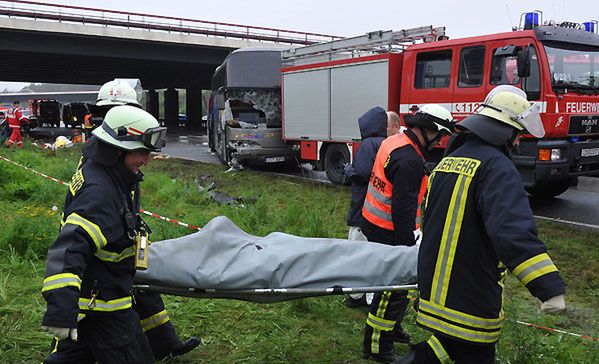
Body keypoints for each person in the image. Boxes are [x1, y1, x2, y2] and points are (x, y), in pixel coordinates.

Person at [395, 86, 566, 364]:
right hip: (469, 296)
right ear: (506, 132)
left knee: (445, 349)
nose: (519, 142)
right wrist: (548, 287)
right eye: (518, 134)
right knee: (470, 352)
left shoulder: (448, 162)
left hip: (434, 289)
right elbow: (513, 233)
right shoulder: (498, 169)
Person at [41, 105, 166, 363]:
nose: (146, 160)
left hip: (96, 299)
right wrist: (61, 309)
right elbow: (69, 248)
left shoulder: (108, 174)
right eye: (142, 152)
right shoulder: (101, 194)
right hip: (106, 307)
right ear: (118, 149)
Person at [92, 79, 200, 360]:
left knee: (145, 290)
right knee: (125, 296)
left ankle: (165, 342)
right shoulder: (105, 154)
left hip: (122, 231)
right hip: (101, 243)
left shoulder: (120, 152)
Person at [361, 105, 455, 363]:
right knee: (391, 289)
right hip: (390, 231)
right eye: (441, 135)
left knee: (397, 288)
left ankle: (393, 328)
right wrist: (409, 244)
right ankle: (378, 346)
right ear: (429, 130)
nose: (440, 141)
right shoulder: (409, 160)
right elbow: (403, 210)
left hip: (374, 223)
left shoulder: (395, 141)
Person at [344, 108, 401, 308]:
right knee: (376, 255)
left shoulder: (368, 144)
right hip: (380, 212)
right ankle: (373, 296)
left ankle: (356, 296)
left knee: (356, 253)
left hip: (362, 209)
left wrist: (348, 169)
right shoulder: (389, 144)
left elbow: (361, 173)